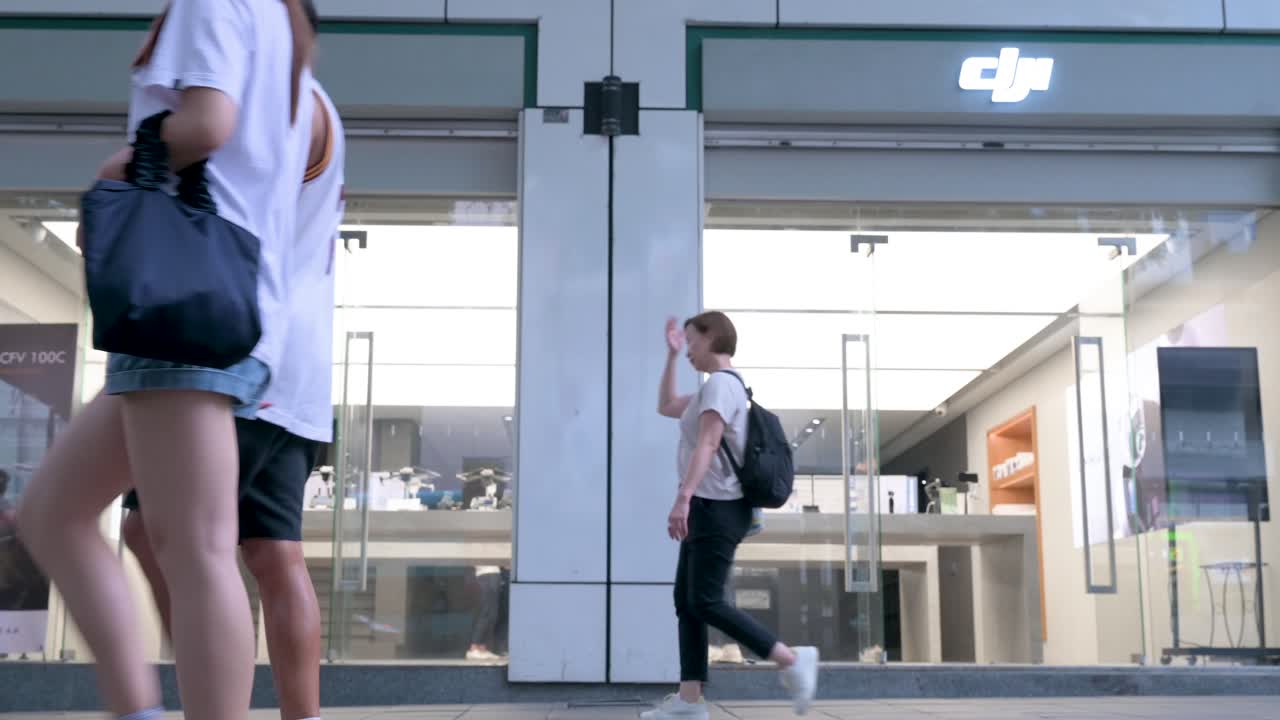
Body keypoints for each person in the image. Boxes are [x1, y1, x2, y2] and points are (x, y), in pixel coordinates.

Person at [15, 2, 316, 718]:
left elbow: (208, 124)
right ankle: (137, 710)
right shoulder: (276, 21)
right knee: (53, 511)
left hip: (181, 305)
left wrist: (119, 169)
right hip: (209, 304)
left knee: (196, 549)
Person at [121, 44, 345, 720]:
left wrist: (127, 179)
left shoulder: (264, 96)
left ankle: (212, 697)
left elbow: (219, 188)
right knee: (272, 552)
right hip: (297, 368)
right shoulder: (314, 99)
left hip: (239, 346)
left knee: (167, 536)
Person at [646, 312, 819, 719]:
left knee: (705, 600)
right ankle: (689, 701)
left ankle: (792, 660)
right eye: (684, 343)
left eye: (691, 341)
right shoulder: (713, 390)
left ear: (713, 338)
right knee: (687, 602)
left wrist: (682, 498)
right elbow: (667, 405)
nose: (688, 349)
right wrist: (670, 358)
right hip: (709, 508)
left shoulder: (723, 385)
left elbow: (707, 444)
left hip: (717, 508)